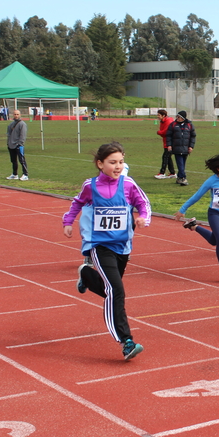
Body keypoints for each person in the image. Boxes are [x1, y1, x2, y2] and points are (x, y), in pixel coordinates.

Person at [62, 142, 151, 360]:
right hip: (98, 245)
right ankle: (126, 341)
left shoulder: (129, 184)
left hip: (122, 246)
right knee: (116, 291)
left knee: (109, 290)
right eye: (113, 162)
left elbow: (144, 204)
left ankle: (86, 274)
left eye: (121, 162)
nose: (118, 166)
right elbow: (77, 203)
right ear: (100, 164)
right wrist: (68, 221)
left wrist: (143, 218)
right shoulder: (90, 186)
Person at [174, 152, 219, 285]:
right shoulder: (212, 181)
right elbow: (197, 195)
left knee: (214, 241)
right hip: (215, 214)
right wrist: (182, 209)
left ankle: (193, 226)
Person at [167, 110, 196, 186]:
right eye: (177, 116)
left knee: (182, 164)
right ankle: (183, 178)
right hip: (176, 148)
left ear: (183, 118)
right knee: (180, 164)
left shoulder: (189, 125)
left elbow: (193, 136)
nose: (177, 118)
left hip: (186, 149)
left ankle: (179, 178)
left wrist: (191, 146)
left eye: (179, 117)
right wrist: (169, 145)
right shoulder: (173, 125)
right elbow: (169, 135)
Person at [6, 110, 29, 181]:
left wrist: (20, 143)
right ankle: (14, 174)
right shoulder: (11, 124)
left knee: (22, 160)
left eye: (17, 114)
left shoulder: (22, 124)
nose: (16, 115)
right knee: (13, 160)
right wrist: (8, 143)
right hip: (11, 145)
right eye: (15, 114)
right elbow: (8, 134)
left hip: (18, 145)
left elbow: (23, 135)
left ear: (20, 115)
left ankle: (25, 174)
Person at [154, 109, 176, 180]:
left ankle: (162, 173)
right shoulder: (162, 121)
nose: (158, 116)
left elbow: (166, 132)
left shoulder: (168, 121)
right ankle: (172, 173)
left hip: (171, 142)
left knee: (165, 157)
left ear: (163, 115)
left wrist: (159, 132)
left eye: (159, 115)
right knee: (168, 157)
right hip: (166, 142)